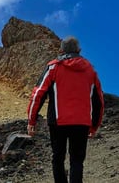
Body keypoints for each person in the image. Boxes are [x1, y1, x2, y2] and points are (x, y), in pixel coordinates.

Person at [27, 36, 104, 183]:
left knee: (58, 158)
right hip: (82, 123)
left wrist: (32, 120)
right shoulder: (90, 71)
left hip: (57, 122)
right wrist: (94, 126)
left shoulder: (53, 67)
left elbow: (38, 94)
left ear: (61, 50)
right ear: (79, 50)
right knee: (77, 160)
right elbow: (99, 101)